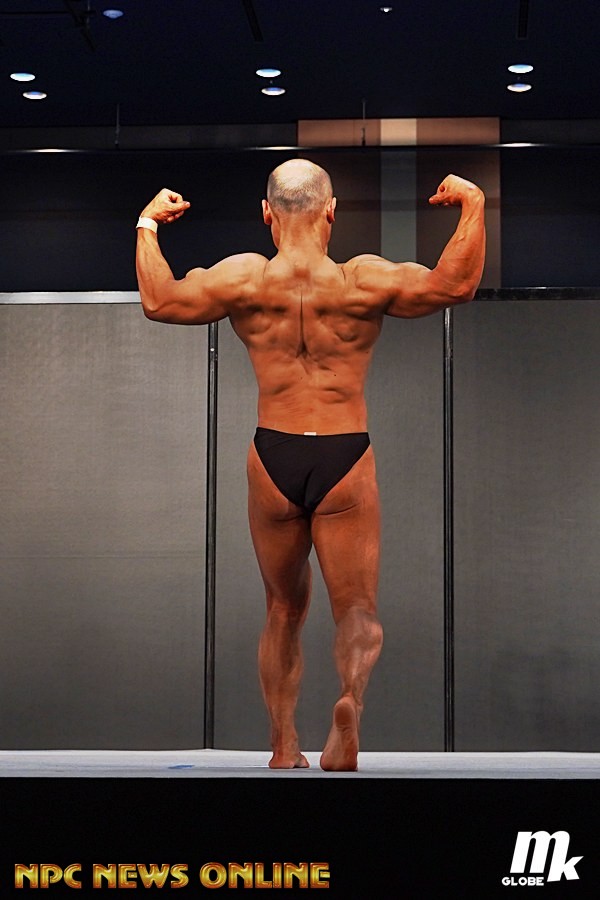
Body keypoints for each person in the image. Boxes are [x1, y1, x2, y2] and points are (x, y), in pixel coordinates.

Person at [136, 159, 485, 771]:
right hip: (344, 451)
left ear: (267, 214)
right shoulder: (360, 280)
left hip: (274, 452)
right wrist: (474, 203)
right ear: (331, 211)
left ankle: (282, 746)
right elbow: (452, 286)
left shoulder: (244, 278)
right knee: (357, 609)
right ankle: (349, 700)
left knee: (281, 609)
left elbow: (160, 301)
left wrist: (147, 224)